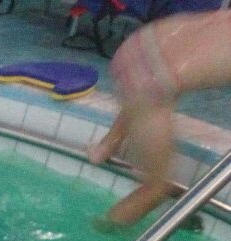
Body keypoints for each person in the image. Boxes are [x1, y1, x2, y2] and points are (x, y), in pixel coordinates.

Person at [87, 9, 231, 225]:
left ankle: (108, 145)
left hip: (138, 44)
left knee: (165, 79)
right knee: (155, 189)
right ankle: (101, 234)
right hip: (151, 87)